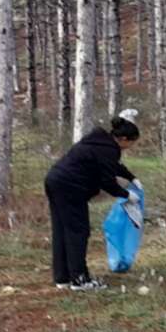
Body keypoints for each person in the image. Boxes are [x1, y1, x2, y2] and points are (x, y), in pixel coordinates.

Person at [44, 117, 141, 291]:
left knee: (61, 230)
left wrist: (131, 177)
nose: (130, 147)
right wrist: (126, 195)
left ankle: (62, 278)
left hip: (55, 181)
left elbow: (113, 166)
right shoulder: (109, 150)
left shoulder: (100, 141)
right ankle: (80, 280)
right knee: (78, 232)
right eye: (132, 143)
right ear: (124, 139)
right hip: (71, 187)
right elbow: (107, 181)